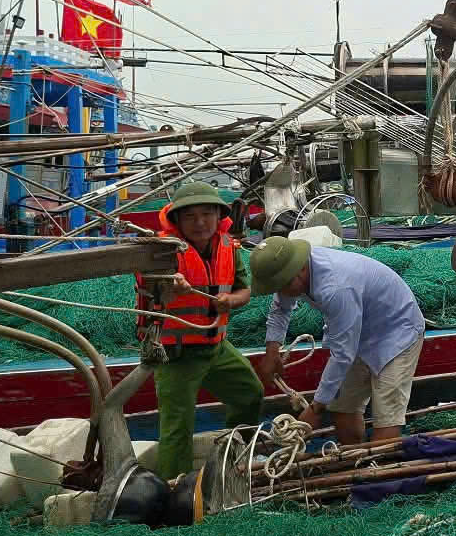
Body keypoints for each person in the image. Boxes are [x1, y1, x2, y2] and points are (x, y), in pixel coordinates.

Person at [135, 182, 262, 479]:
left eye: (207, 214)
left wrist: (230, 300)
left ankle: (237, 456)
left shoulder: (228, 246)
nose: (200, 222)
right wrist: (171, 285)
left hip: (216, 348)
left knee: (250, 393)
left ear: (219, 216)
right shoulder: (160, 250)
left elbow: (245, 290)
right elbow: (152, 287)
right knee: (177, 426)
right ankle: (173, 487)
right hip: (175, 356)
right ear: (177, 220)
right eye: (190, 216)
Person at [250, 236, 425, 445]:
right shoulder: (291, 274)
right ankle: (354, 459)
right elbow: (281, 309)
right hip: (356, 331)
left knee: (386, 418)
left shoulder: (336, 287)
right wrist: (272, 352)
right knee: (343, 409)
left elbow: (343, 355)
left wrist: (315, 408)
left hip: (396, 331)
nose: (281, 293)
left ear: (301, 269)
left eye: (283, 286)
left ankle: (381, 462)